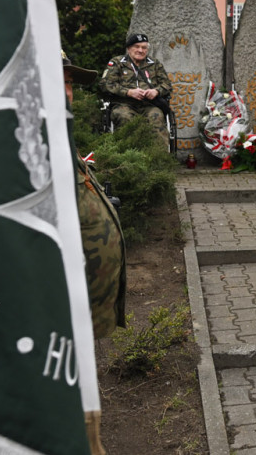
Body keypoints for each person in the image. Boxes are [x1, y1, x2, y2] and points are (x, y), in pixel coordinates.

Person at [63, 51, 126, 339]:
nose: (67, 93)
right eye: (55, 82)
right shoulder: (24, 152)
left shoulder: (60, 139)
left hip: (84, 318)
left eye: (69, 84)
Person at [100, 33, 172, 148]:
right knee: (124, 117)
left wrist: (156, 91)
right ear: (129, 48)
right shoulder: (117, 63)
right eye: (137, 47)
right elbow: (105, 84)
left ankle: (159, 159)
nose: (140, 50)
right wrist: (128, 92)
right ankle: (126, 158)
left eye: (144, 47)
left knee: (156, 117)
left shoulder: (154, 64)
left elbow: (167, 84)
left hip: (149, 104)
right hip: (124, 104)